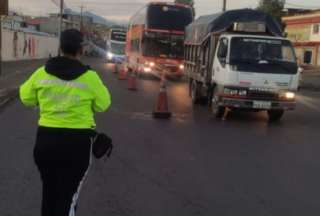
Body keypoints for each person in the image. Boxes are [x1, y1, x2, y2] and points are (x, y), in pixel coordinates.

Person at [19, 29, 111, 216]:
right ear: (81, 50)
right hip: (77, 145)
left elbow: (26, 98)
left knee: (50, 193)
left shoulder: (41, 73)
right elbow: (103, 104)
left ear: (60, 47)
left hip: (45, 142)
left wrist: (43, 102)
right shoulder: (90, 77)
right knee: (68, 197)